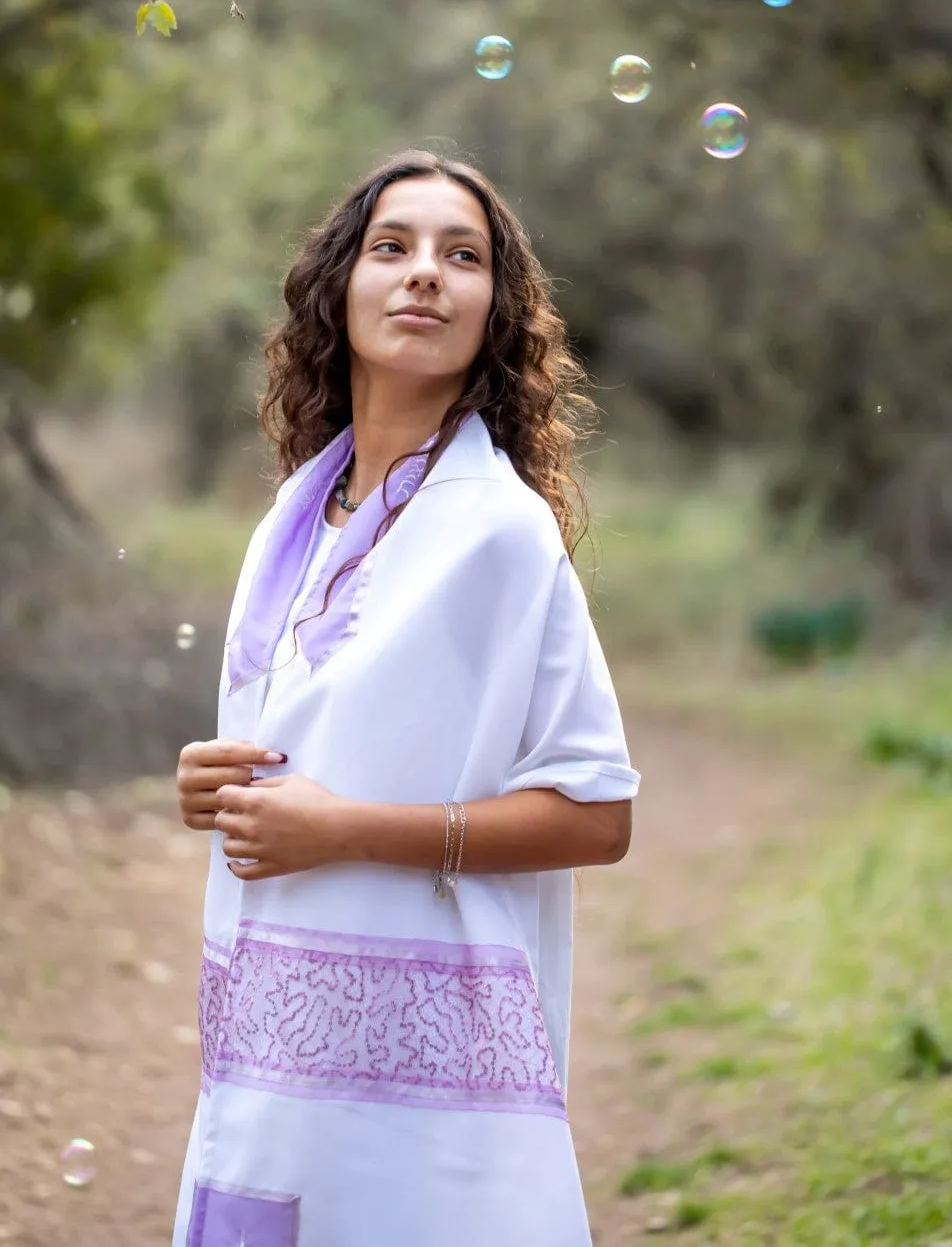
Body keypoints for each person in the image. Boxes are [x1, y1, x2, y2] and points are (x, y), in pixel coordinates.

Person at [171, 148, 640, 1247]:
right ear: (342, 287)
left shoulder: (498, 528)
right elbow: (309, 756)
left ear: (496, 312)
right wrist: (219, 788)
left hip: (428, 1092)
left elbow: (598, 813)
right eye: (394, 247)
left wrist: (346, 831)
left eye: (461, 256)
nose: (425, 273)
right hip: (276, 1066)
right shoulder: (293, 519)